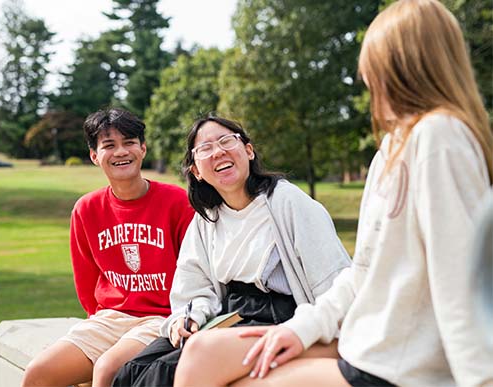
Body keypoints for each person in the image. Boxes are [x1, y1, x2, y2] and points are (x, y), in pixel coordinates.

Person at [173, 1, 493, 386]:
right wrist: (299, 331)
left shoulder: (440, 138)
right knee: (200, 354)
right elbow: (362, 273)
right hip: (365, 341)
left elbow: (462, 284)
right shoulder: (393, 148)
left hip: (394, 365)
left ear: (403, 66)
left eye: (373, 64)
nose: (366, 78)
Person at [112, 115, 351, 387]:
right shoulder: (206, 219)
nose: (218, 152)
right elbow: (194, 285)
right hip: (227, 315)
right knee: (133, 371)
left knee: (166, 374)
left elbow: (333, 280)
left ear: (248, 151)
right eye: (205, 148)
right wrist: (187, 319)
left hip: (279, 316)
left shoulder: (288, 203)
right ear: (196, 171)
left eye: (226, 141)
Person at [21, 108, 194, 387]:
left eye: (129, 143)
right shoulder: (86, 209)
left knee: (106, 371)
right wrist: (100, 318)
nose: (121, 152)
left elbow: (196, 271)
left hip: (162, 317)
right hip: (110, 318)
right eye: (109, 145)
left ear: (143, 148)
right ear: (94, 156)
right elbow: (86, 280)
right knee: (37, 373)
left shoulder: (177, 202)